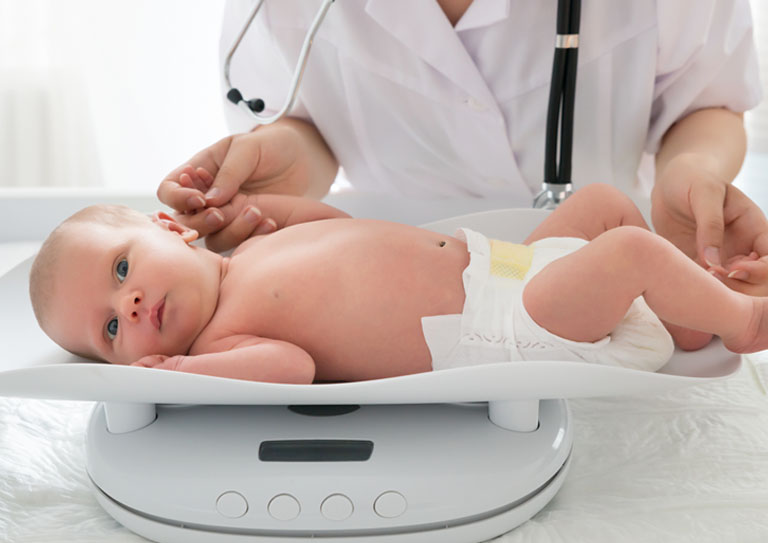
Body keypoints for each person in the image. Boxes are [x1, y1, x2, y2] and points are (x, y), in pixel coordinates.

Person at [157, 0, 765, 293]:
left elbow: (706, 102)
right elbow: (307, 117)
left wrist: (693, 170)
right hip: (390, 282)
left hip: (606, 267)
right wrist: (288, 154)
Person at [28, 183, 768, 384]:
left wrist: (260, 212)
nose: (127, 304)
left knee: (603, 204)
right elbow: (294, 367)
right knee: (631, 249)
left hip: (503, 263)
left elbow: (340, 225)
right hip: (506, 324)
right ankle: (738, 320)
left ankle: (680, 319)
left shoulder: (257, 250)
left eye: (121, 268)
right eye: (111, 331)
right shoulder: (226, 337)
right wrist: (189, 369)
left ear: (170, 228)